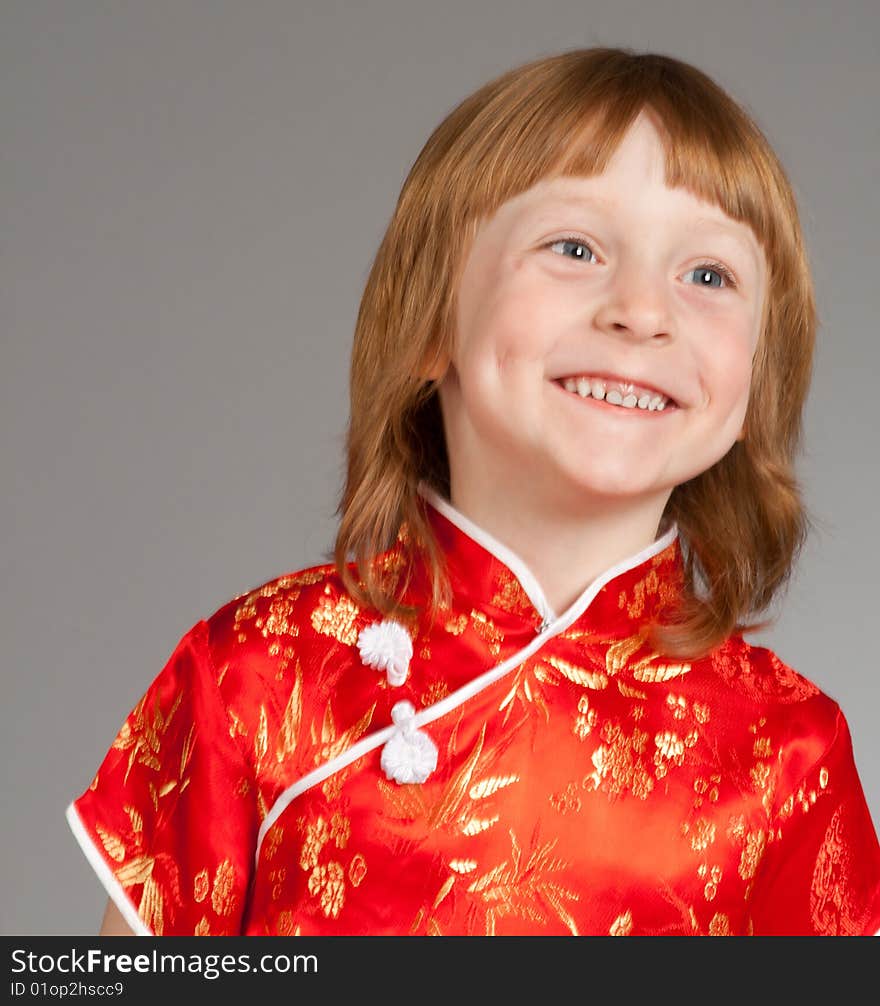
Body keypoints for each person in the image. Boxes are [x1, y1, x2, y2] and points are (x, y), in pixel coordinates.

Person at [66, 46, 880, 937]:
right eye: (574, 247)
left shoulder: (789, 747)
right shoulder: (260, 670)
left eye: (709, 276)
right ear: (429, 322)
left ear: (755, 385)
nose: (644, 312)